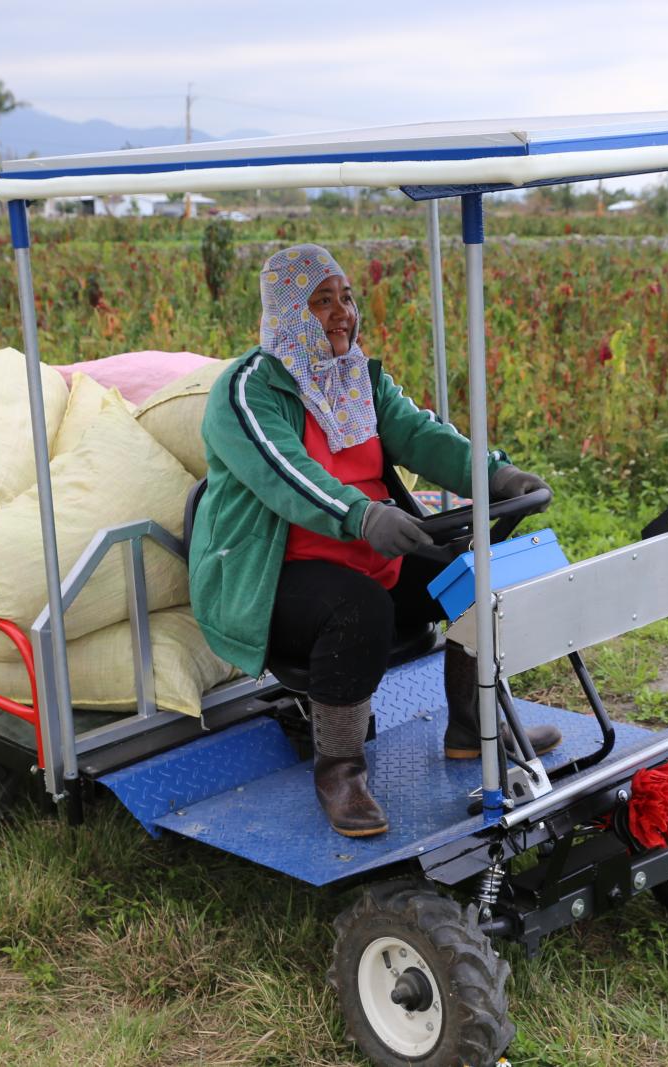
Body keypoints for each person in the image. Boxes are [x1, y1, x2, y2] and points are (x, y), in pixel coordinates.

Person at [189, 244, 560, 838]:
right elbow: (286, 475)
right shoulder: (247, 391)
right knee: (358, 606)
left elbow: (423, 434)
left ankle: (471, 728)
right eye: (320, 301)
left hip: (366, 549)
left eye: (346, 296)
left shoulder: (358, 377)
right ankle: (340, 772)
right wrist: (361, 515)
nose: (342, 312)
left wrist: (493, 473)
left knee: (472, 574)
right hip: (272, 574)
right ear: (286, 313)